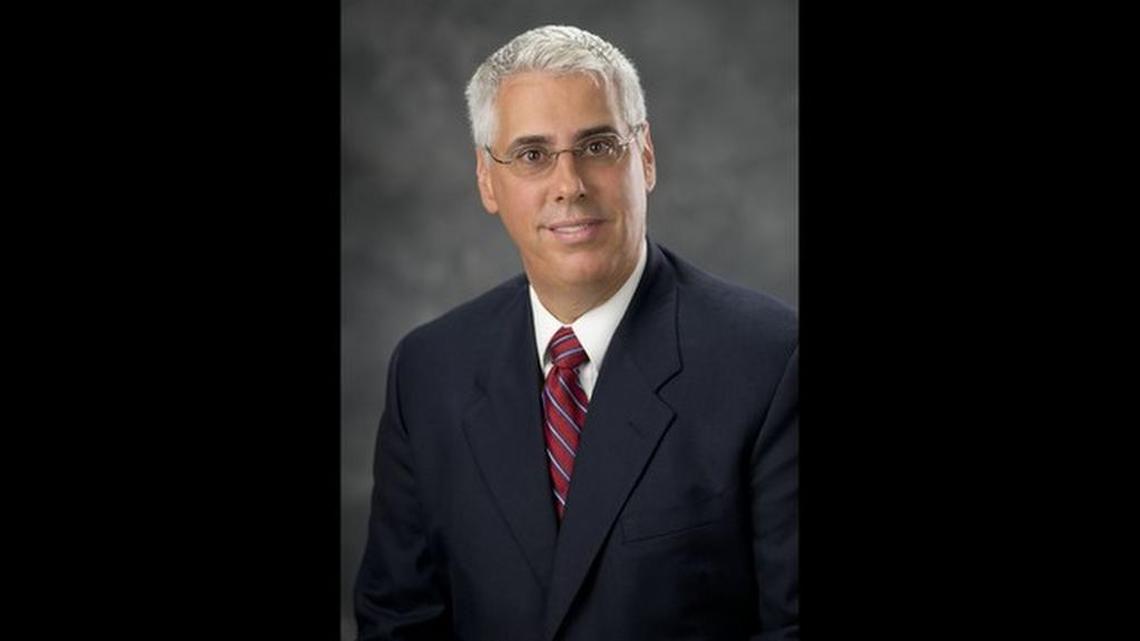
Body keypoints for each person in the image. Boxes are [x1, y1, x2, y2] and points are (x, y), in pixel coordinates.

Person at [354, 24, 798, 641]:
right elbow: (398, 621)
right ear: (487, 180)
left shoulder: (770, 361)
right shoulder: (429, 372)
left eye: (598, 145)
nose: (570, 185)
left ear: (645, 156)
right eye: (533, 155)